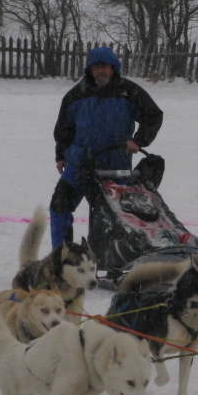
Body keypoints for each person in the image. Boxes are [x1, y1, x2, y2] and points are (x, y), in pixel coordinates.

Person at [49, 46, 164, 248]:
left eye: (105, 67)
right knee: (59, 208)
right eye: (96, 67)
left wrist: (139, 140)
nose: (100, 71)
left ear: (114, 68)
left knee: (118, 218)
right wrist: (61, 156)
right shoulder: (75, 96)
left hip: (115, 169)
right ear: (89, 69)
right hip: (78, 166)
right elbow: (63, 130)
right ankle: (61, 259)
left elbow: (153, 115)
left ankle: (116, 262)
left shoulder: (129, 92)